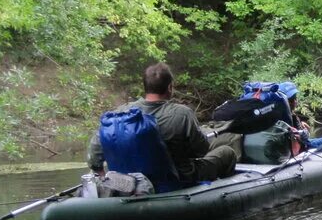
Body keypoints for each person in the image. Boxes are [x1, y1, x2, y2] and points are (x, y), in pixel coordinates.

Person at [88, 63, 242, 184]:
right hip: (179, 178)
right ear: (170, 87)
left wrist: (100, 173)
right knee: (227, 152)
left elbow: (95, 150)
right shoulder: (182, 113)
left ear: (145, 86)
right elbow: (201, 151)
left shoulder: (120, 112)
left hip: (131, 179)